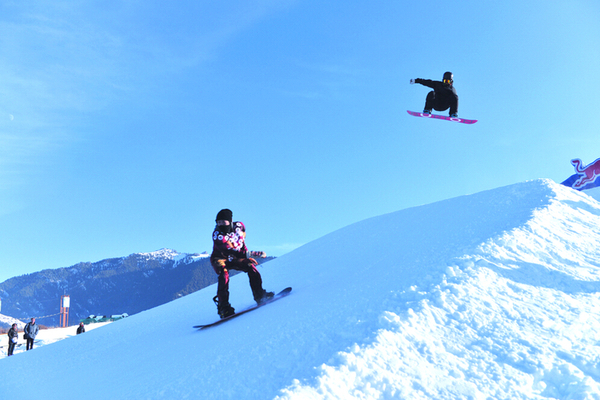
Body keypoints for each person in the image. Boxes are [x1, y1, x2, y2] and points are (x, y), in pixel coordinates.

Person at [210, 209, 273, 319]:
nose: (220, 225)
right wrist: (252, 254)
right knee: (223, 276)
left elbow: (241, 243)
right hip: (220, 258)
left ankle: (260, 295)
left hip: (236, 258)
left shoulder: (240, 227)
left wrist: (247, 258)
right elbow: (232, 251)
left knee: (251, 269)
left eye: (223, 222)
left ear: (230, 221)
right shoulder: (217, 235)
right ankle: (224, 308)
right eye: (218, 222)